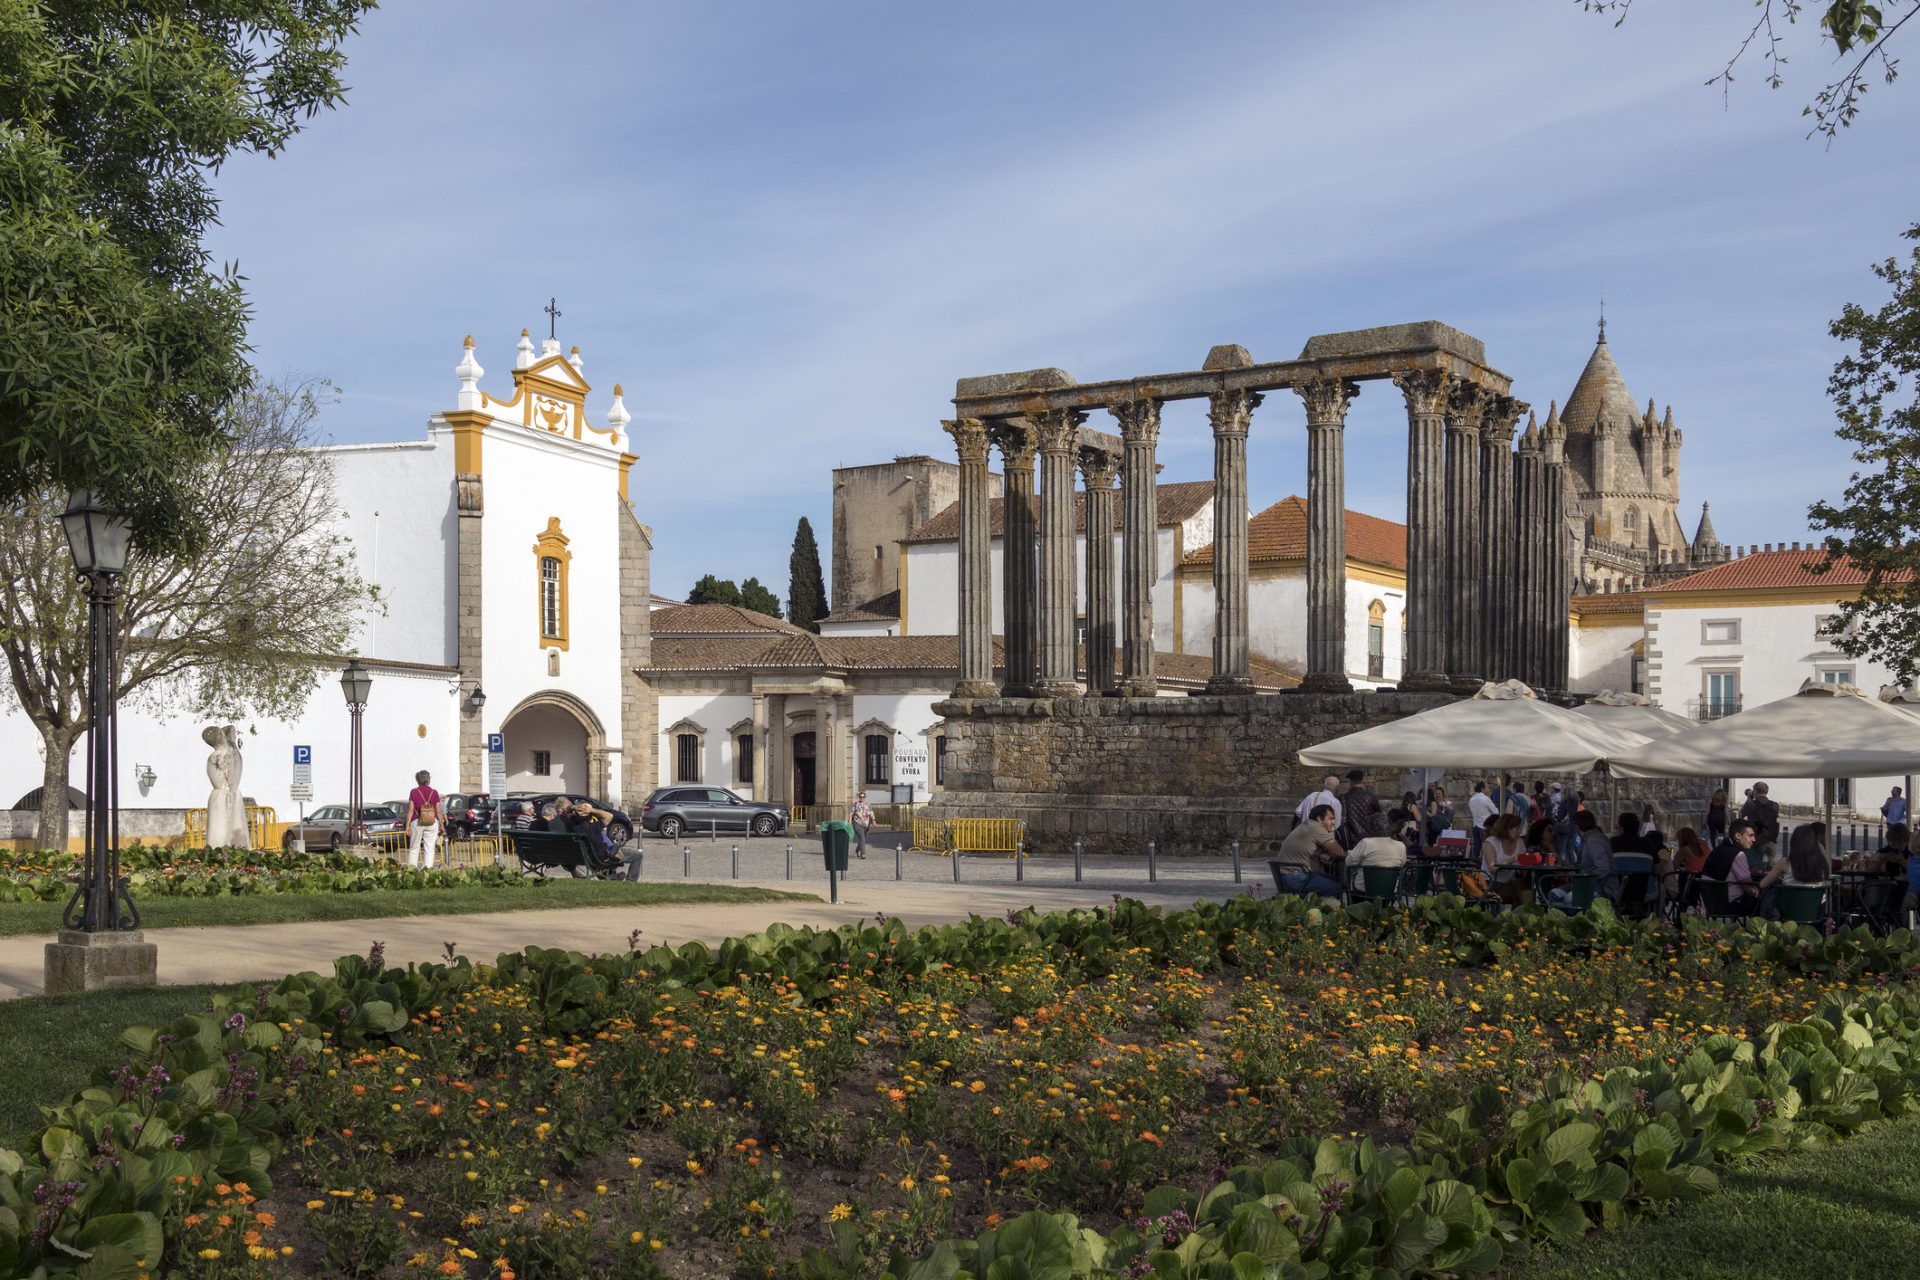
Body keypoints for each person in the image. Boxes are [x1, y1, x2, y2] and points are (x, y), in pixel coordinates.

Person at [1274, 803, 1344, 899]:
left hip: (1287, 876)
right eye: (1331, 819)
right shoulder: (1316, 827)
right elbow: (1338, 852)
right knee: (1336, 885)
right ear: (1319, 819)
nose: (1334, 822)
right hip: (1296, 877)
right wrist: (1331, 831)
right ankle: (1328, 912)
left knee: (1332, 880)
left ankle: (1320, 909)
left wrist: (1325, 853)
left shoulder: (1307, 825)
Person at [1701, 818, 1762, 914]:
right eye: (1750, 836)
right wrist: (1760, 890)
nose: (1754, 839)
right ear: (1738, 835)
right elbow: (1749, 889)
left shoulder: (1718, 850)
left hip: (1710, 904)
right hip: (1730, 905)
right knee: (1766, 900)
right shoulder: (1738, 855)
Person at [1343, 808, 1410, 893]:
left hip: (1364, 891)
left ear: (1370, 828)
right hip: (1389, 890)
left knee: (1352, 876)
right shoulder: (1401, 846)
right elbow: (1402, 863)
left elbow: (1349, 862)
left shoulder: (1365, 843)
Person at [1481, 812, 1527, 903]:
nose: (1519, 831)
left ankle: (1522, 913)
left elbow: (1522, 869)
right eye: (1516, 828)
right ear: (1506, 829)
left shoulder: (1520, 842)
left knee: (1528, 885)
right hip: (1490, 882)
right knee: (1521, 890)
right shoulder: (1491, 842)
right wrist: (1513, 859)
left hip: (1510, 882)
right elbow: (1492, 868)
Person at [1571, 809, 1616, 901]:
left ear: (1577, 827)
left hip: (1601, 888)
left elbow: (1603, 869)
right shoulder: (1594, 837)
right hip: (1593, 884)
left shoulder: (1593, 841)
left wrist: (1582, 877)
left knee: (1562, 896)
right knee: (1555, 893)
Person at [1337, 769, 1385, 849]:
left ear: (1350, 781)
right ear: (1362, 780)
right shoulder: (1370, 797)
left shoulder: (1343, 798)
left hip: (1352, 838)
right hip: (1370, 837)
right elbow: (1379, 817)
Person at [406, 769, 442, 869]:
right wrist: (442, 825)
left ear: (418, 780)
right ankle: (427, 870)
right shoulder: (434, 792)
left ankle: (411, 870)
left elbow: (411, 809)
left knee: (414, 847)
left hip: (416, 821)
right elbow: (438, 811)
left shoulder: (414, 792)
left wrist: (407, 825)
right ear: (428, 780)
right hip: (432, 822)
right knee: (429, 848)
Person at [1740, 782, 1780, 859]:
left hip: (1756, 840)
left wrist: (1749, 799)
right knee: (1772, 864)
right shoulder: (1775, 805)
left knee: (1756, 863)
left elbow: (1741, 815)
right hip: (1771, 839)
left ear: (1755, 791)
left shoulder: (1750, 804)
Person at [851, 794, 875, 859]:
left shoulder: (868, 804)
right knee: (862, 838)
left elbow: (871, 813)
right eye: (860, 797)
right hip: (857, 823)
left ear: (865, 797)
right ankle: (863, 853)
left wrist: (873, 820)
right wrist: (849, 822)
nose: (862, 798)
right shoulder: (855, 804)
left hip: (866, 824)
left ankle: (857, 850)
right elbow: (851, 813)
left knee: (863, 839)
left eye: (863, 797)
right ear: (859, 797)